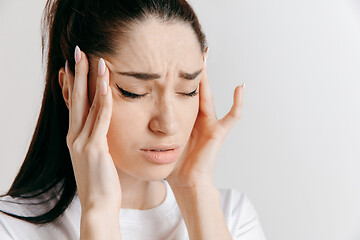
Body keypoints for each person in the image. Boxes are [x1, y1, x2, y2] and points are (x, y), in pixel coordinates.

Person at [0, 0, 266, 239]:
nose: (168, 125)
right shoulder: (10, 228)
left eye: (188, 90)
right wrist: (98, 214)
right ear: (72, 91)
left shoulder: (232, 218)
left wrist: (195, 190)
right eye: (134, 92)